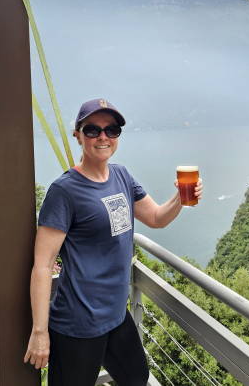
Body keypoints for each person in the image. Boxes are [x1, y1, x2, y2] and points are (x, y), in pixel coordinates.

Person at [24, 98, 203, 386]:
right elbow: (43, 266)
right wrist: (40, 332)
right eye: (93, 130)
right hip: (78, 324)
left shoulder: (121, 175)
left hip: (117, 316)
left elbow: (156, 218)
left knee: (136, 378)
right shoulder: (64, 191)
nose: (103, 137)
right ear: (78, 135)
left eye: (112, 130)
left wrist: (180, 199)